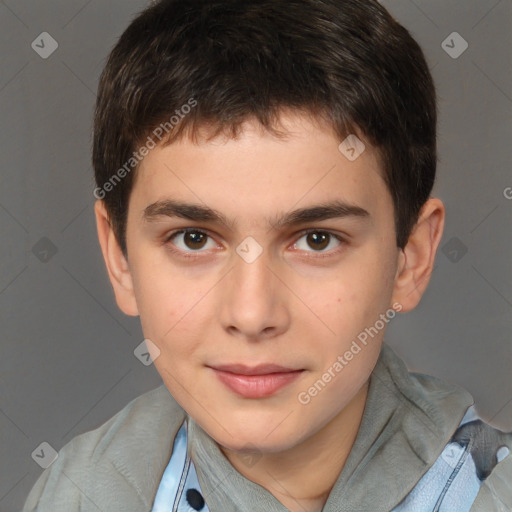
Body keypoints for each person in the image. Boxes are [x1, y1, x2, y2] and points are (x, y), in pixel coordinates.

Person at [22, 0, 511, 510]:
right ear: (119, 256)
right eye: (193, 239)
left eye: (317, 240)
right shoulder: (79, 493)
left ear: (409, 257)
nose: (252, 315)